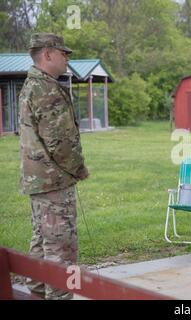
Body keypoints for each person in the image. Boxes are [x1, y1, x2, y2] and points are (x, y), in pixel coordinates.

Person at [19, 32, 89, 300]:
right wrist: (79, 169)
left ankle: (37, 294)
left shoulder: (30, 85)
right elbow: (61, 143)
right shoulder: (47, 89)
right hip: (54, 181)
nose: (67, 58)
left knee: (41, 242)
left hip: (38, 181)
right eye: (63, 53)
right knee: (61, 248)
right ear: (48, 54)